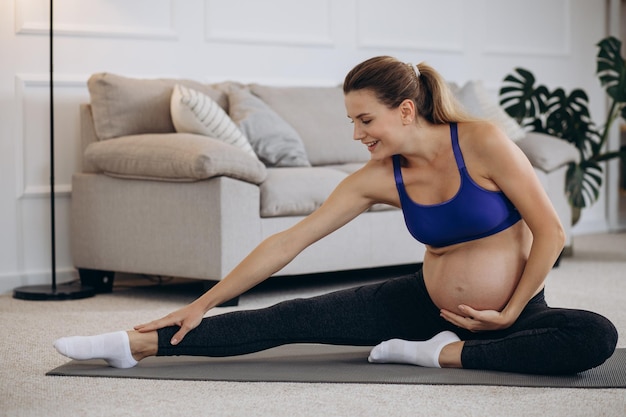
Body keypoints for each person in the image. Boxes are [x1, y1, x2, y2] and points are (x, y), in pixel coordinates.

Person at [54, 56, 618, 375]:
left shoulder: (484, 143)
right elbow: (289, 243)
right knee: (291, 317)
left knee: (593, 336)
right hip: (420, 302)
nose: (356, 135)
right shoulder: (377, 178)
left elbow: (551, 231)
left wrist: (511, 308)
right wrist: (202, 303)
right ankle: (133, 345)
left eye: (365, 120)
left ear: (405, 109)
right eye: (350, 122)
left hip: (513, 313)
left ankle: (443, 353)